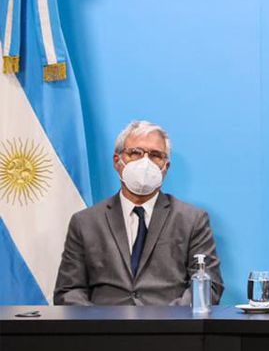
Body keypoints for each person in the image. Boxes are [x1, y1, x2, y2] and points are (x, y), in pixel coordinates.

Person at [54, 120, 224, 305]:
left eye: (155, 155)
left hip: (171, 322)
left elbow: (209, 286)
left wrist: (171, 318)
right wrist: (98, 319)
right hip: (104, 322)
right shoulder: (85, 222)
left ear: (165, 167)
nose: (145, 162)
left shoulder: (192, 220)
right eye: (135, 153)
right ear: (117, 161)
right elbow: (69, 291)